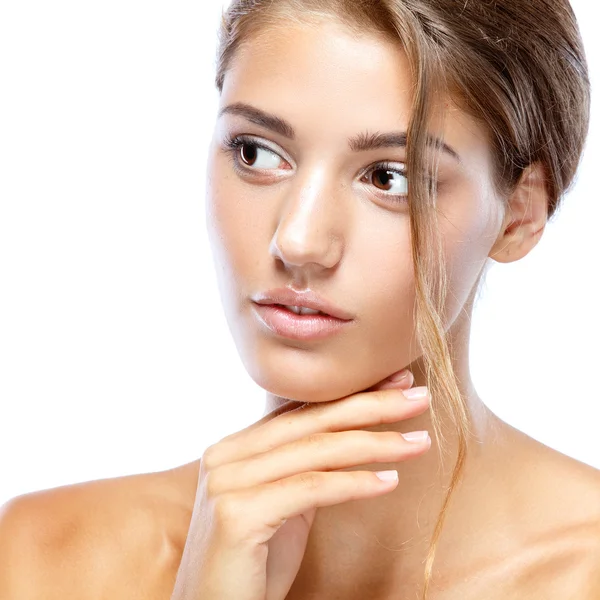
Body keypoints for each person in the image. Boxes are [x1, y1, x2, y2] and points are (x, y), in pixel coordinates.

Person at [1, 0, 599, 598]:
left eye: (390, 178)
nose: (298, 240)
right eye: (256, 153)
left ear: (519, 214)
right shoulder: (46, 559)